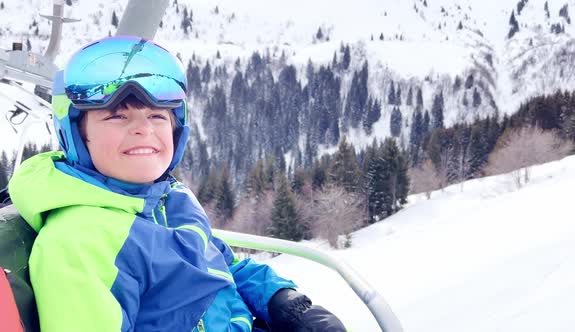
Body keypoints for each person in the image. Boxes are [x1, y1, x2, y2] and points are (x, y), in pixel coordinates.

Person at [8, 36, 346, 332]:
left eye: (157, 116)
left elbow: (223, 265)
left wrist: (283, 301)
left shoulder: (171, 198)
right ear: (78, 135)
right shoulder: (80, 242)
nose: (143, 129)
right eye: (117, 116)